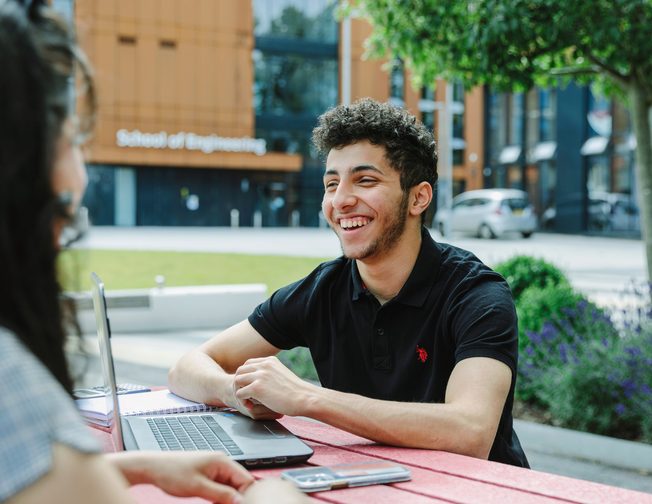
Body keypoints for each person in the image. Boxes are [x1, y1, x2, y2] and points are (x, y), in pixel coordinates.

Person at [0, 2, 306, 503]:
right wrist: (276, 496)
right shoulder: (12, 383)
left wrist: (132, 467)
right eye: (73, 137)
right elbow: (190, 364)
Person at [169, 98, 530, 468]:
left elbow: (471, 431)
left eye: (365, 180)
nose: (340, 200)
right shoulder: (323, 289)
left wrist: (307, 399)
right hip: (373, 484)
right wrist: (234, 392)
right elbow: (187, 367)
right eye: (331, 184)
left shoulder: (477, 295)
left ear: (418, 197)